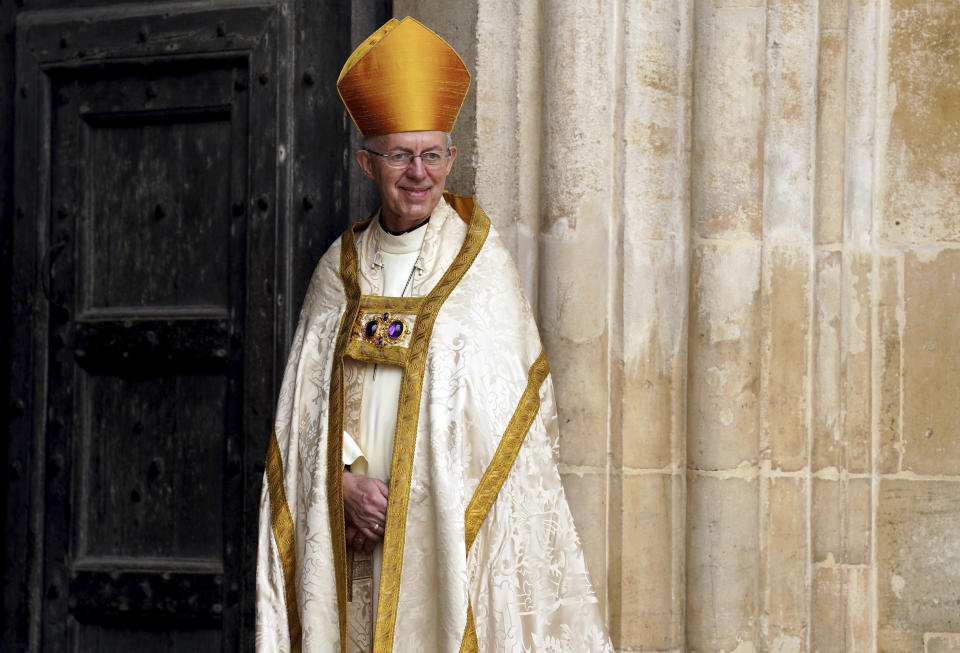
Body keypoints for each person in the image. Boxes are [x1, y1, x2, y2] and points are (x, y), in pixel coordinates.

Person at [255, 16, 613, 653]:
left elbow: (512, 422)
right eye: (398, 154)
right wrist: (342, 485)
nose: (416, 173)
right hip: (348, 535)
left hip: (439, 538)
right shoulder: (337, 272)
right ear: (368, 161)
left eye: (430, 154)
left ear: (451, 158)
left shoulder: (481, 269)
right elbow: (306, 409)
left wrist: (414, 495)